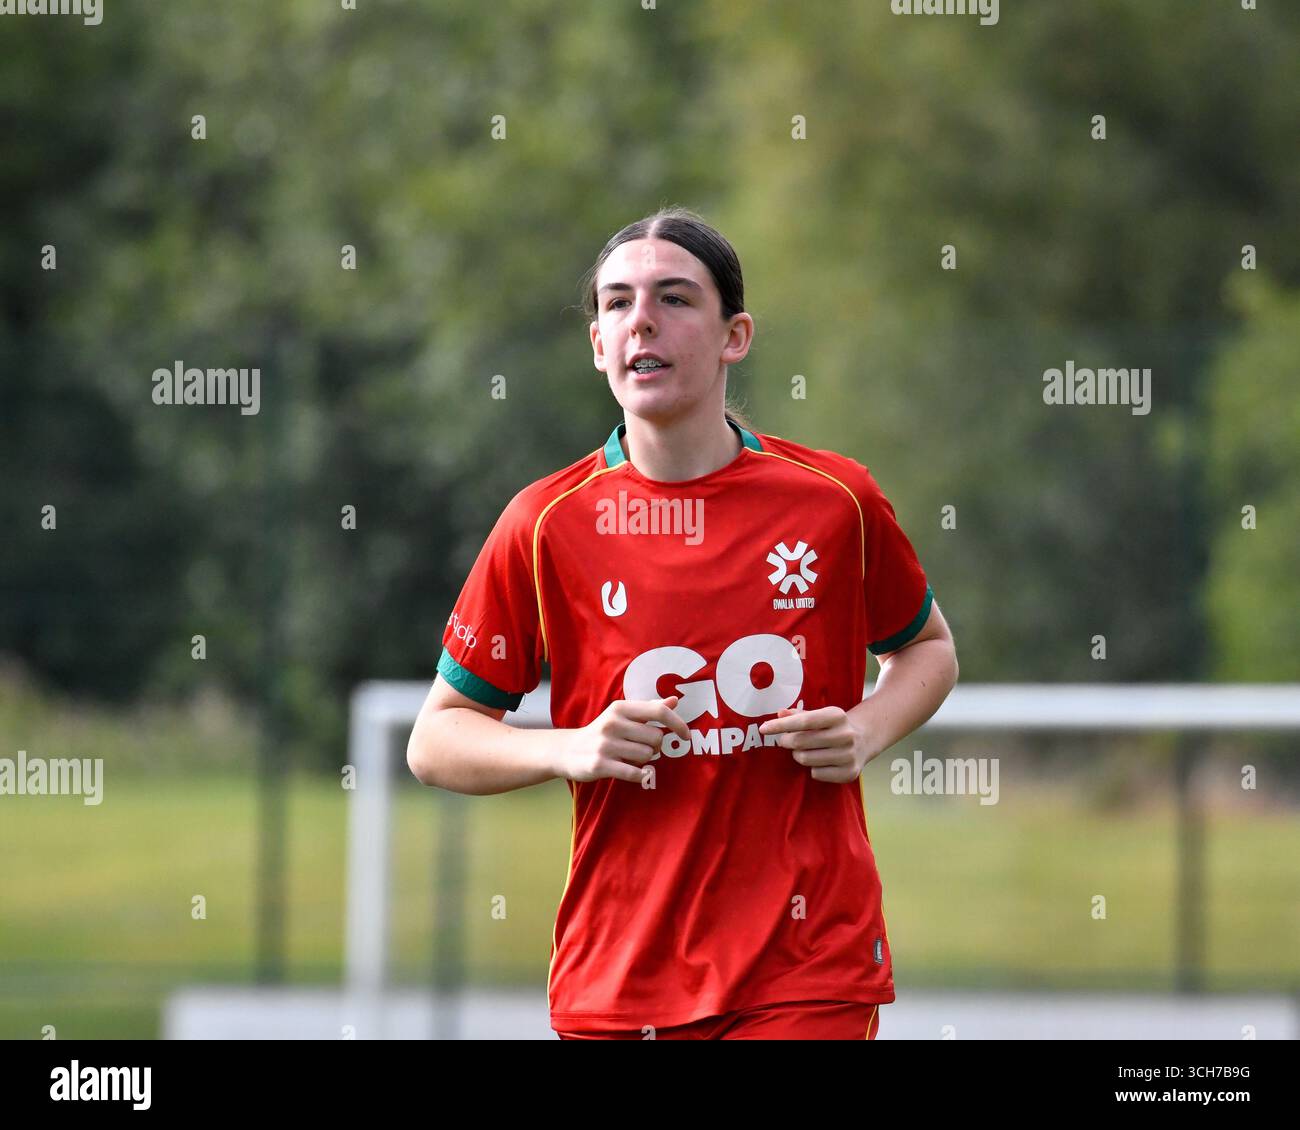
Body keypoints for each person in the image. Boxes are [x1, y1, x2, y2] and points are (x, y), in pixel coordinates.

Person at [407, 206, 959, 1040]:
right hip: (622, 976)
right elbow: (437, 740)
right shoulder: (544, 523)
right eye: (618, 303)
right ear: (598, 345)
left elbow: (927, 649)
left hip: (807, 962)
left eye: (674, 298)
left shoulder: (835, 500)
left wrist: (868, 729)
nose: (642, 322)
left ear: (736, 335)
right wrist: (572, 746)